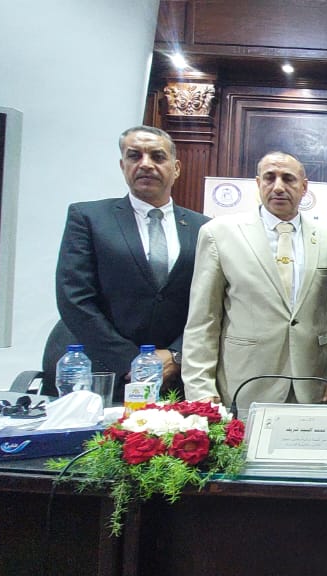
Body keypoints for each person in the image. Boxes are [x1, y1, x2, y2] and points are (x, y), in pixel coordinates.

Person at [182, 152, 327, 413]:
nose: (278, 187)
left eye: (288, 179)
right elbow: (203, 318)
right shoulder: (219, 234)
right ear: (258, 183)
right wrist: (200, 389)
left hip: (312, 384)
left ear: (304, 186)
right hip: (245, 383)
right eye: (270, 178)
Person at [56, 126, 208, 397]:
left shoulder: (204, 228)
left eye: (157, 156)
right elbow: (74, 298)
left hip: (178, 379)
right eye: (135, 156)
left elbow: (210, 304)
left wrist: (177, 354)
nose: (146, 164)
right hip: (107, 374)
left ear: (176, 168)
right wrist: (133, 361)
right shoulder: (89, 218)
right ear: (122, 165)